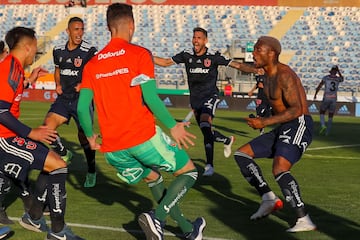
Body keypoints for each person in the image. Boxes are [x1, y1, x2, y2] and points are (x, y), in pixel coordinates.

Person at [78, 3, 206, 240]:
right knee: (189, 172)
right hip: (142, 136)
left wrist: (89, 136)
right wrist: (172, 125)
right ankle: (157, 218)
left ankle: (188, 230)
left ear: (108, 27)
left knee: (153, 177)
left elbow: (81, 107)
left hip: (113, 149)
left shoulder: (93, 64)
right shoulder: (139, 54)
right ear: (132, 24)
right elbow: (149, 96)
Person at [0, 26, 84, 240]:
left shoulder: (15, 69)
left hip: (10, 136)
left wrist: (31, 78)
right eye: (36, 48)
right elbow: (0, 111)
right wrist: (31, 133)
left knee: (55, 161)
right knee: (58, 166)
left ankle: (35, 216)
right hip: (4, 139)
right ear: (27, 47)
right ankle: (57, 232)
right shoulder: (9, 69)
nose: (36, 53)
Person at [233, 36, 316, 232]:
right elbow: (246, 68)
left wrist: (264, 122)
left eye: (258, 50)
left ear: (272, 53)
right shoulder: (265, 72)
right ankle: (268, 198)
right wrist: (225, 61)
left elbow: (296, 110)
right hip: (283, 125)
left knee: (279, 167)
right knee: (242, 155)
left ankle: (304, 219)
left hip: (299, 123)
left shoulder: (284, 74)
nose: (253, 53)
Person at [154, 27, 262, 177]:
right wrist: (146, 56)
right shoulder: (186, 55)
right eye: (194, 37)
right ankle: (226, 139)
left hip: (210, 97)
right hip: (195, 100)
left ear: (205, 41)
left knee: (205, 125)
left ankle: (209, 165)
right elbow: (165, 63)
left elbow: (237, 65)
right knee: (206, 132)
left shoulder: (213, 57)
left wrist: (256, 70)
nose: (195, 40)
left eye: (199, 38)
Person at [43, 16, 98, 187]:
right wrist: (57, 84)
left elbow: (97, 72)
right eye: (76, 29)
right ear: (68, 31)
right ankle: (65, 152)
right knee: (47, 127)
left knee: (84, 137)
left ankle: (91, 170)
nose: (79, 33)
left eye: (82, 29)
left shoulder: (89, 50)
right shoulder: (58, 50)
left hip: (82, 100)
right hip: (63, 99)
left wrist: (85, 84)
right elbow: (57, 69)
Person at [0, 40, 33, 225]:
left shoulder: (10, 69)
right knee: (12, 165)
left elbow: (12, 89)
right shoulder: (6, 68)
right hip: (4, 129)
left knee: (16, 164)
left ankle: (29, 201)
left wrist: (30, 80)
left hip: (7, 129)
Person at [313, 65, 343, 136]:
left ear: (330, 71)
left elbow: (319, 85)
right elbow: (342, 78)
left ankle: (323, 125)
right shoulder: (338, 79)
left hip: (326, 97)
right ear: (336, 72)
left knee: (322, 111)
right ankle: (327, 132)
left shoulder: (326, 78)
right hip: (334, 98)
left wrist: (315, 94)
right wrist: (339, 71)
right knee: (331, 115)